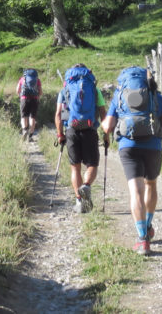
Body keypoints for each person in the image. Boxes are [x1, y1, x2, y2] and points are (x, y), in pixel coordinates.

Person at [102, 67, 162, 256]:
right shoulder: (155, 96)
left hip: (128, 147)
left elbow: (108, 126)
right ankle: (149, 224)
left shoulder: (119, 96)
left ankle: (143, 240)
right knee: (150, 184)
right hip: (153, 146)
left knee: (136, 191)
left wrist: (105, 125)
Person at [55, 64, 109, 213]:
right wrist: (106, 134)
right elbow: (103, 113)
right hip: (90, 130)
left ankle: (79, 201)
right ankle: (86, 185)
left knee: (75, 167)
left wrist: (60, 134)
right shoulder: (94, 89)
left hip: (71, 129)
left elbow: (58, 115)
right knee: (92, 165)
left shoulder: (65, 90)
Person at [17, 68, 42, 141]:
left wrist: (20, 96)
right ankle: (30, 136)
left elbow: (17, 90)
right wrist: (38, 97)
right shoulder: (37, 80)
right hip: (34, 99)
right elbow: (40, 92)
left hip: (24, 99)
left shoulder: (22, 79)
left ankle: (24, 130)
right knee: (32, 117)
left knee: (23, 116)